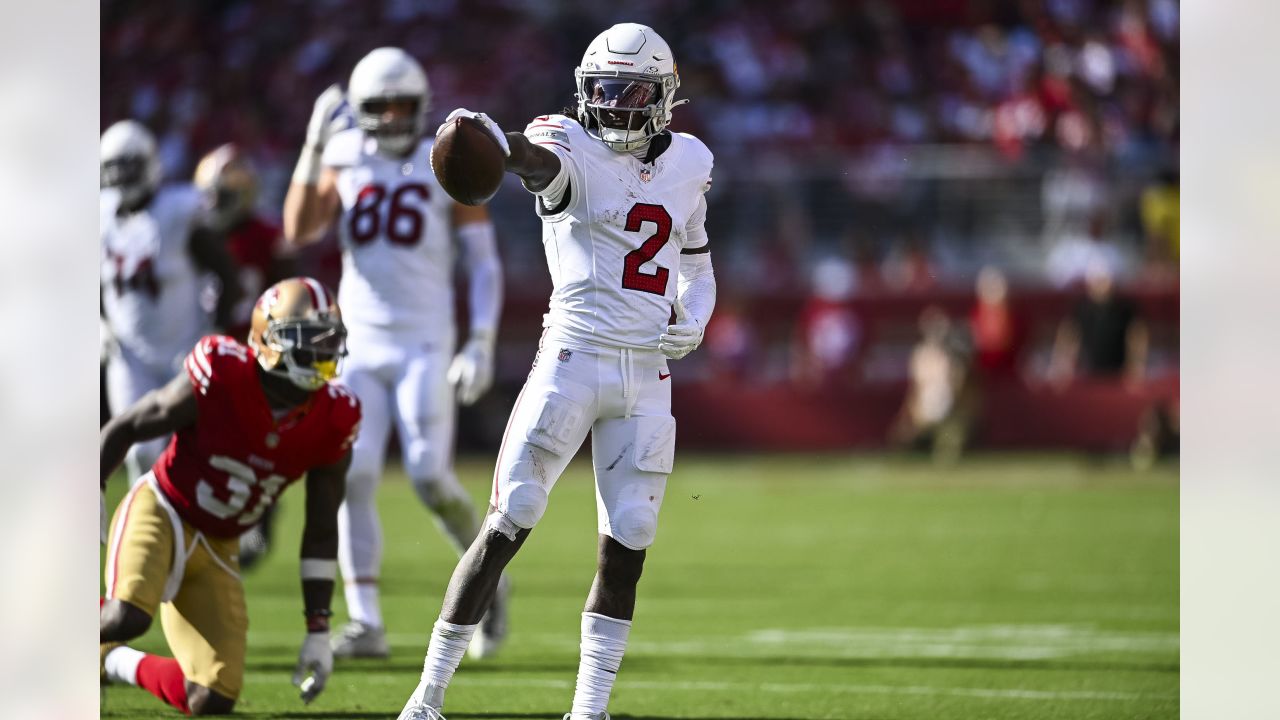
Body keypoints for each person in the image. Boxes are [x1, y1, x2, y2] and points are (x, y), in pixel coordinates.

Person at [398, 23, 717, 720]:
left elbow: (695, 261)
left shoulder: (690, 160)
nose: (615, 105)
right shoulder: (567, 146)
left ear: (663, 96)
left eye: (631, 92)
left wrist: (695, 314)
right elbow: (528, 160)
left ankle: (589, 711)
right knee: (512, 515)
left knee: (629, 537)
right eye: (602, 90)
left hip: (646, 374)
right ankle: (426, 700)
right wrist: (486, 137)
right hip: (572, 359)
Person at [282, 47, 507, 659]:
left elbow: (483, 261)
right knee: (350, 475)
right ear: (358, 110)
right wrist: (310, 148)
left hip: (425, 340)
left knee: (431, 477)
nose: (390, 116)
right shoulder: (344, 155)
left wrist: (480, 339)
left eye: (401, 104)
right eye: (377, 106)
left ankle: (492, 575)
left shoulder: (447, 159)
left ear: (422, 103)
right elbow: (299, 229)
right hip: (359, 342)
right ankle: (367, 622)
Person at [99, 278, 360, 715]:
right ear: (269, 338)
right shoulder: (222, 371)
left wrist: (318, 628)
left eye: (328, 340)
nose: (322, 353)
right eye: (307, 340)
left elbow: (320, 529)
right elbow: (126, 427)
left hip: (220, 545)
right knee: (128, 616)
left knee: (213, 696)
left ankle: (108, 661)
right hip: (164, 507)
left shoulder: (336, 416)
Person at [101, 120, 244, 482]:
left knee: (197, 453)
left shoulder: (178, 210)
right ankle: (145, 533)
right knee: (141, 452)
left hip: (184, 351)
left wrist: (214, 331)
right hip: (129, 357)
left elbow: (227, 274)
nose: (121, 178)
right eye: (113, 169)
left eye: (128, 167)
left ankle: (191, 531)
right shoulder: (99, 215)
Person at [194, 143, 299, 569]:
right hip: (203, 347)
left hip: (255, 354)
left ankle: (259, 514)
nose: (217, 203)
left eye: (225, 194)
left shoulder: (265, 237)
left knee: (254, 444)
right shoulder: (193, 229)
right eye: (213, 194)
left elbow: (291, 297)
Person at [1048, 261, 1149, 387]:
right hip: (1087, 372)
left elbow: (1137, 336)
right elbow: (1068, 335)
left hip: (1117, 372)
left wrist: (1136, 366)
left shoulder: (1125, 308)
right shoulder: (1081, 308)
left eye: (1104, 281)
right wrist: (1061, 366)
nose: (1101, 285)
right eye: (1097, 281)